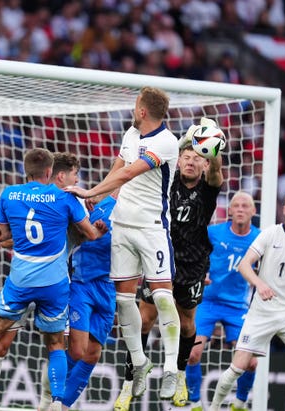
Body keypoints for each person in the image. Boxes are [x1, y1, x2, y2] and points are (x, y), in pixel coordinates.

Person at [0, 148, 106, 411]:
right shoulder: (65, 198)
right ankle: (57, 402)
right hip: (54, 283)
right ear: (50, 172)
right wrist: (98, 231)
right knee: (56, 343)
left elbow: (1, 239)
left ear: (26, 172)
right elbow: (91, 235)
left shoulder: (9, 194)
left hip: (21, 279)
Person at [66, 86, 181, 401]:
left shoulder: (167, 142)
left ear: (143, 110)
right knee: (124, 302)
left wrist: (87, 192)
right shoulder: (131, 135)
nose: (134, 109)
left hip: (151, 228)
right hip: (122, 228)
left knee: (162, 297)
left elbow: (130, 173)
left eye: (136, 105)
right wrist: (97, 198)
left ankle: (170, 368)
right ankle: (140, 362)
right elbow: (117, 168)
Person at [114, 117, 224, 411]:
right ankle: (128, 383)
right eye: (185, 157)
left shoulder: (207, 190)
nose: (190, 162)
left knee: (187, 324)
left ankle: (178, 375)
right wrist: (185, 140)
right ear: (178, 161)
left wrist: (209, 147)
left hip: (192, 266)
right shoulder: (167, 181)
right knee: (145, 319)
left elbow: (216, 172)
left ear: (202, 165)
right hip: (159, 257)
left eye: (195, 158)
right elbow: (165, 154)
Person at [209, 191, 285, 411]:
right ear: (284, 209)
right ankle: (214, 407)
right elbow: (244, 265)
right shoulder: (270, 234)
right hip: (261, 310)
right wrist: (260, 284)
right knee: (237, 367)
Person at [185, 191, 260, 411]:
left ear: (253, 211)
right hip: (208, 301)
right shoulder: (213, 232)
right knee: (192, 353)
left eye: (245, 206)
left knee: (252, 362)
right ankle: (195, 403)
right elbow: (193, 253)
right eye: (236, 205)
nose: (240, 209)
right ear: (229, 210)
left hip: (238, 306)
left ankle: (240, 402)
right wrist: (200, 273)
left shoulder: (260, 237)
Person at [61, 189, 118, 411]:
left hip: (109, 286)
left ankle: (62, 406)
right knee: (77, 349)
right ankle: (52, 396)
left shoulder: (138, 208)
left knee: (93, 353)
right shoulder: (93, 201)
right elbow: (74, 227)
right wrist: (93, 230)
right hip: (82, 283)